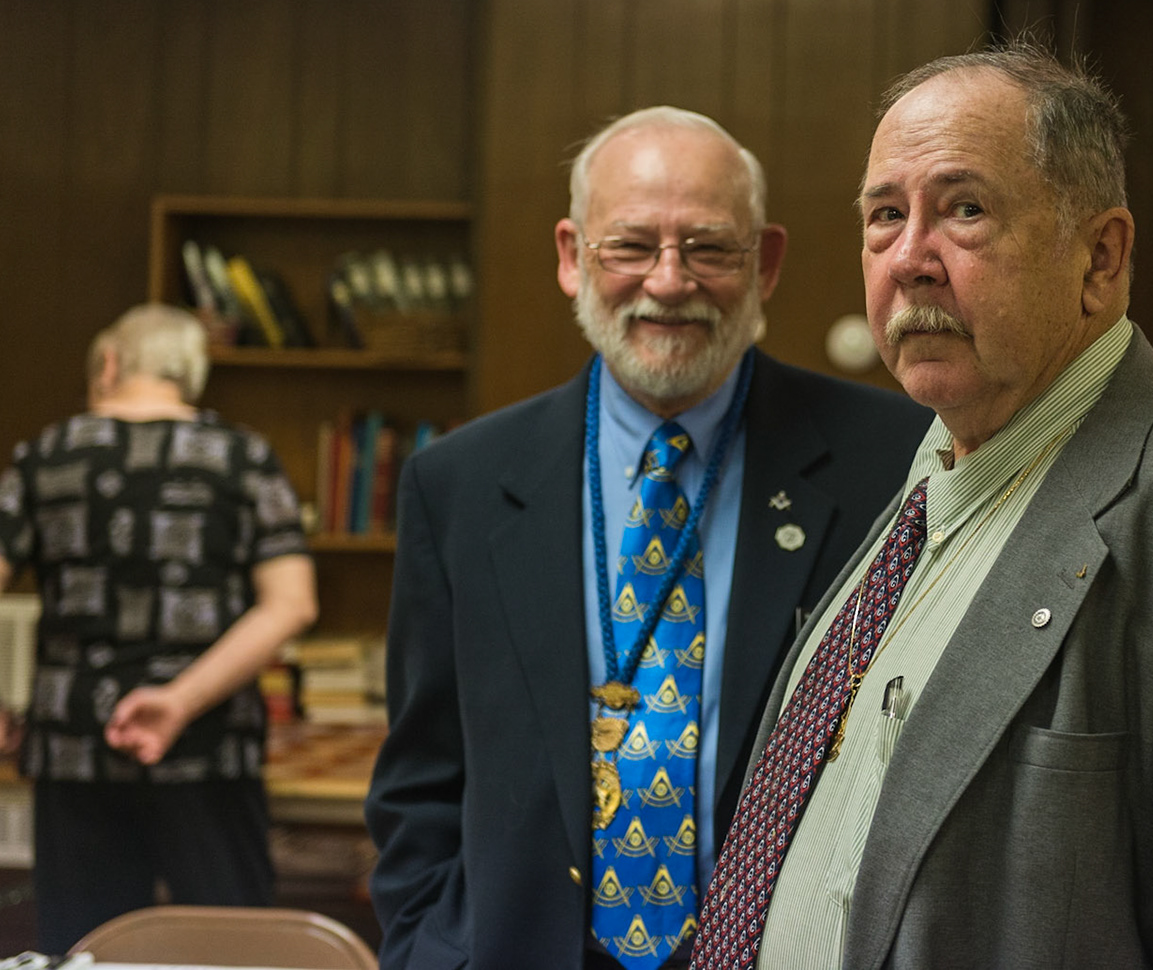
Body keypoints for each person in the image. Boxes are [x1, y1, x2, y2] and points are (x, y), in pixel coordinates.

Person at [693, 45, 1153, 969]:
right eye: (885, 216)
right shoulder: (928, 477)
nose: (910, 259)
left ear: (1101, 258)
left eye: (965, 209)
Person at [364, 107, 930, 970]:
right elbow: (420, 780)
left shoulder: (892, 465)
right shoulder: (459, 486)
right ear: (571, 257)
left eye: (708, 248)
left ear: (765, 263)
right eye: (629, 246)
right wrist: (431, 949)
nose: (668, 282)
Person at [0, 303, 318, 954]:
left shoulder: (47, 455)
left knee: (86, 953)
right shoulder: (243, 458)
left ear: (110, 364)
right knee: (232, 956)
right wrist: (180, 701)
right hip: (208, 749)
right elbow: (292, 605)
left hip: (76, 751)